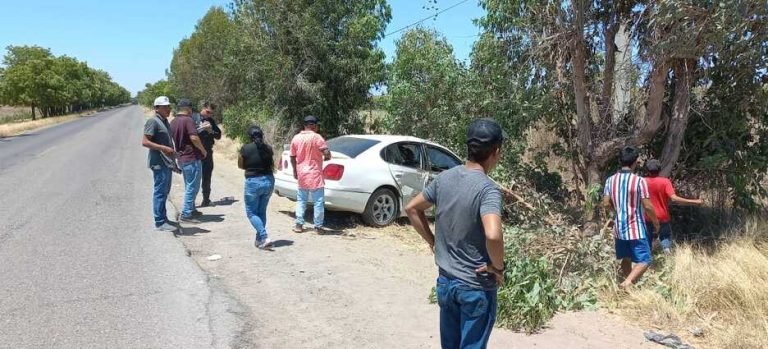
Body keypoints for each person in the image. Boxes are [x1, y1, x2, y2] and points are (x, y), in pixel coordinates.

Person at [405, 118, 506, 349]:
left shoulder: (444, 178)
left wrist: (433, 242)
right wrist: (498, 268)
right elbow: (493, 235)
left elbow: (412, 208)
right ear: (496, 152)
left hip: (446, 283)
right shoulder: (487, 190)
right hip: (475, 287)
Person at [602, 146, 660, 288]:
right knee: (645, 259)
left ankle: (630, 289)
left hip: (619, 228)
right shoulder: (639, 181)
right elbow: (648, 206)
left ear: (620, 161)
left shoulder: (610, 180)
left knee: (626, 258)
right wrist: (656, 223)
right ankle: (627, 283)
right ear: (635, 162)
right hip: (636, 228)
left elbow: (605, 203)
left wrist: (617, 210)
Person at [644, 159, 704, 254]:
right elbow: (674, 198)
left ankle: (647, 259)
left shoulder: (642, 182)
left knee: (647, 242)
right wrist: (695, 201)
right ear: (659, 169)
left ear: (647, 170)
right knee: (665, 239)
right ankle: (667, 256)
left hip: (648, 217)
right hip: (663, 217)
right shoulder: (665, 182)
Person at [141, 96, 177, 232]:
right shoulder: (153, 121)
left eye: (169, 106)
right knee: (160, 192)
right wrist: (163, 148)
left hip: (166, 162)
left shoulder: (165, 121)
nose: (168, 109)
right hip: (158, 163)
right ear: (157, 108)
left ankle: (164, 218)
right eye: (165, 107)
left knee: (165, 191)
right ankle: (160, 222)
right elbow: (145, 142)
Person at [290, 115, 331, 233]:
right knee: (318, 202)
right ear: (314, 126)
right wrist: (327, 156)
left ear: (304, 125)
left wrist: (295, 171)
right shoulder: (317, 137)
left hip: (302, 174)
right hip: (315, 175)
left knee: (301, 200)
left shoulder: (296, 138)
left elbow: (292, 156)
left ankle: (299, 224)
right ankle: (318, 227)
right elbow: (326, 152)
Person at [170, 99, 208, 223]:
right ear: (188, 108)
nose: (192, 110)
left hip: (182, 158)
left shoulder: (173, 121)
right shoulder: (188, 120)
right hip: (191, 157)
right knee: (192, 186)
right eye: (191, 108)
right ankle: (186, 214)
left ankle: (191, 209)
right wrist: (203, 150)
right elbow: (194, 138)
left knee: (189, 185)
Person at [238, 125, 275, 249]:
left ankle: (264, 237)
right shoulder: (268, 148)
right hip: (268, 180)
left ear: (250, 136)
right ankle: (259, 240)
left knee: (251, 213)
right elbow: (272, 165)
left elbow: (240, 165)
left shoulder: (245, 148)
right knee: (261, 211)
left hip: (253, 181)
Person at [199, 102, 222, 207]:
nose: (209, 115)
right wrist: (200, 129)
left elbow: (218, 135)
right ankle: (190, 204)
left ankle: (206, 199)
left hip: (208, 152)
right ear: (203, 108)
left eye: (211, 113)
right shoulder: (194, 118)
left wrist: (210, 130)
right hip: (195, 152)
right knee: (194, 178)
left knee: (207, 176)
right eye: (208, 112)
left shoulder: (210, 121)